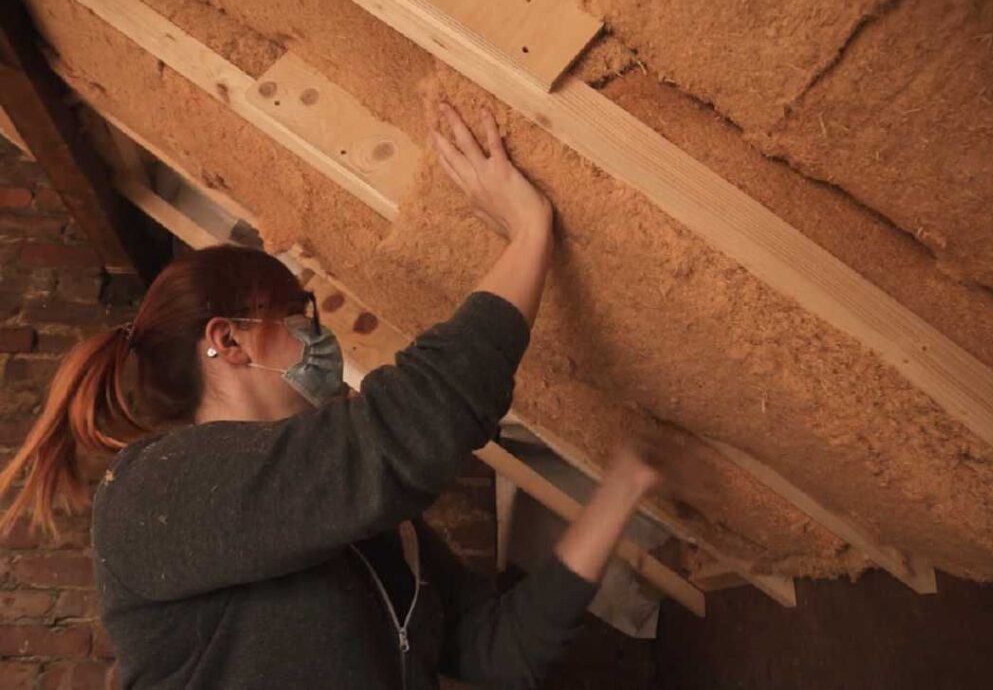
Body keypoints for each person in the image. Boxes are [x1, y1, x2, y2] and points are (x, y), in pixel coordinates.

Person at [0, 104, 668, 689]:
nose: (318, 339)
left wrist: (626, 481)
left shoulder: (358, 517)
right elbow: (405, 428)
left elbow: (499, 648)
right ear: (229, 343)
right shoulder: (151, 493)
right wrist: (528, 232)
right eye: (299, 314)